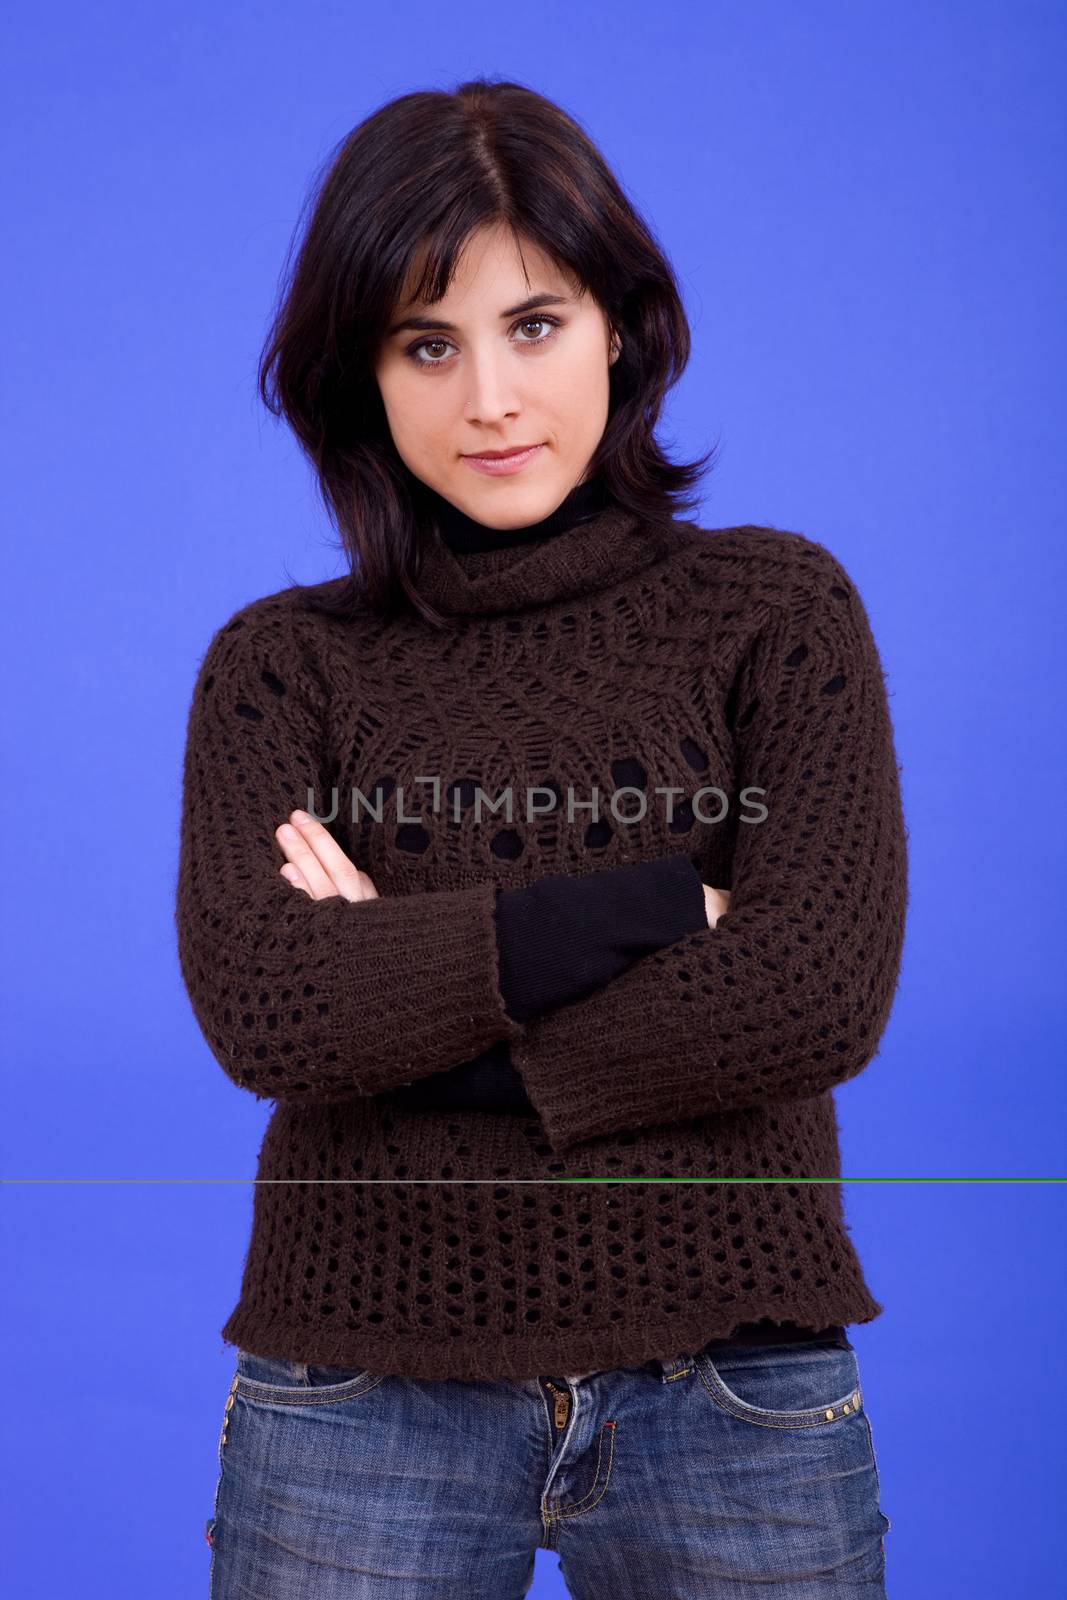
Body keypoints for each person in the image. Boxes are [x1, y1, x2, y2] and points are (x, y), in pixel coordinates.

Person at [178, 76, 905, 1598]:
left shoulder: (778, 611)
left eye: (534, 325)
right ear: (356, 380)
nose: (489, 399)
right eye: (425, 346)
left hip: (732, 1383)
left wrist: (407, 988)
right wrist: (655, 907)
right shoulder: (278, 667)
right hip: (359, 1395)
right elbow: (268, 1010)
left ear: (622, 326)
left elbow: (814, 992)